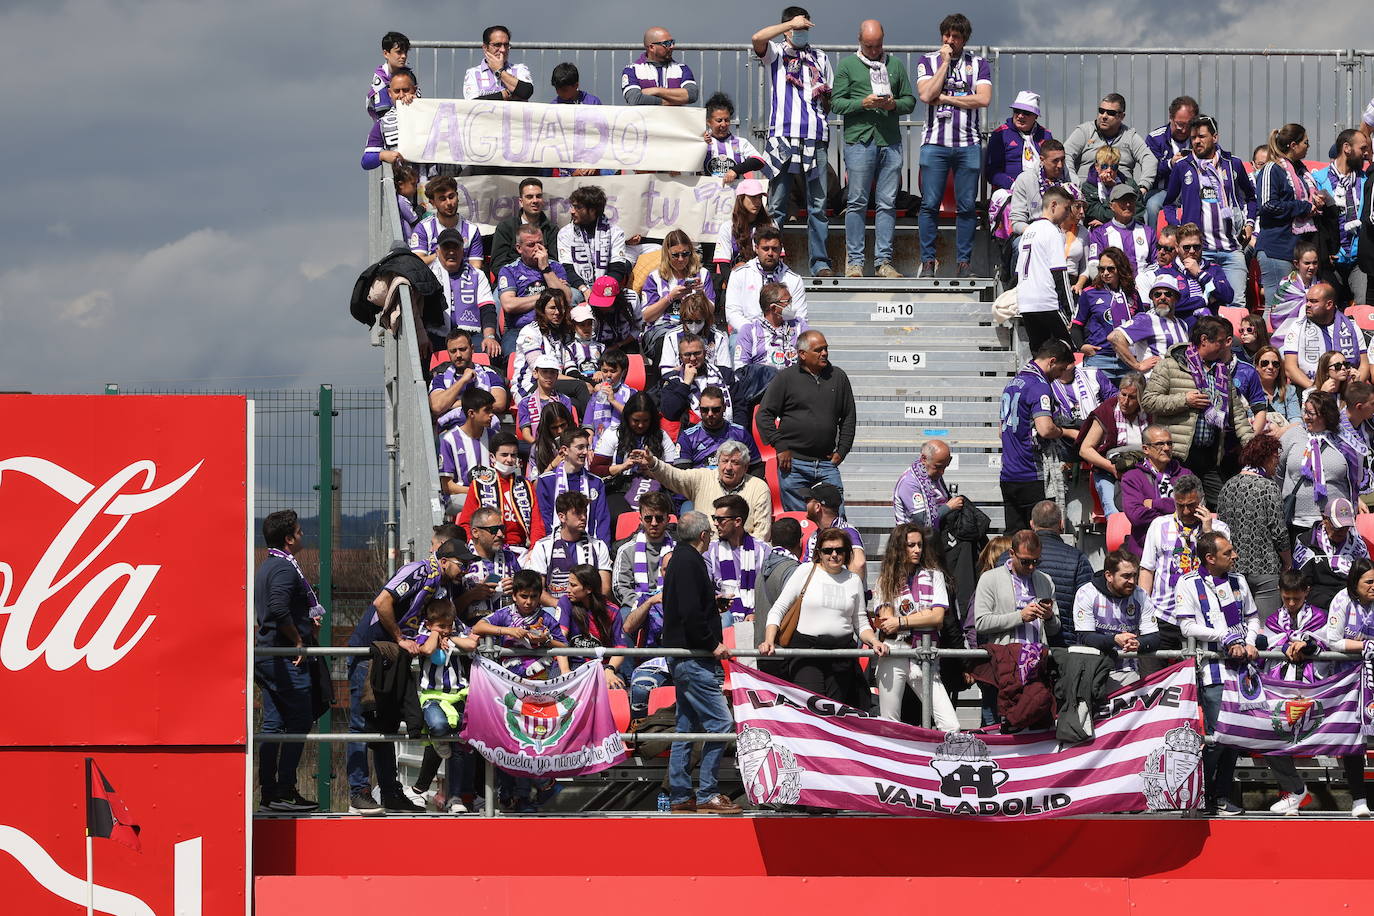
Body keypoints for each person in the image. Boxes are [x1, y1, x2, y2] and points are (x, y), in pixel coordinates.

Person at [346, 538, 481, 815]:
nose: (465, 570)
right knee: (361, 724)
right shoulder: (419, 570)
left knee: (387, 725)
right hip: (369, 653)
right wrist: (399, 638)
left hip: (394, 657)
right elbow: (382, 602)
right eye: (462, 564)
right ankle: (358, 792)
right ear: (444, 561)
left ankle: (390, 792)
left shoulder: (443, 585)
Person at [660, 511, 743, 814]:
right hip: (694, 657)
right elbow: (690, 613)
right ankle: (707, 792)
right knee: (721, 723)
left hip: (686, 655)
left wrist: (712, 604)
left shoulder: (681, 560)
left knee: (687, 726)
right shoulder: (689, 561)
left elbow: (690, 606)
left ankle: (681, 795)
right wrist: (713, 643)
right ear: (703, 535)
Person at [1174, 531, 1258, 816]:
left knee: (1234, 738)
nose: (1235, 556)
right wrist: (1225, 636)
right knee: (1216, 738)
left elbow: (1253, 618)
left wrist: (1248, 641)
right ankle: (1200, 794)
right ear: (1210, 558)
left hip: (1242, 671)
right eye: (1228, 553)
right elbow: (1186, 626)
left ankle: (1220, 796)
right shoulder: (1188, 583)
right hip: (1213, 672)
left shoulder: (1239, 580)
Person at [751, 8, 835, 277]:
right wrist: (788, 25)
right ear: (787, 29)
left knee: (818, 205)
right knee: (777, 204)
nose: (801, 33)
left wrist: (820, 108)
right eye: (797, 28)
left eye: (805, 28)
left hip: (815, 135)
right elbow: (757, 39)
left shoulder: (820, 57)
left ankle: (820, 262)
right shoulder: (776, 52)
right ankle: (769, 263)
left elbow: (829, 99)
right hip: (783, 136)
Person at [760, 527, 884, 706]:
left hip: (842, 655)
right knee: (812, 708)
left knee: (835, 710)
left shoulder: (853, 580)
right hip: (806, 653)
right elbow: (778, 609)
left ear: (846, 553)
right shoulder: (805, 571)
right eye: (828, 550)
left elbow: (861, 622)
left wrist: (874, 641)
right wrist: (769, 640)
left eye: (839, 550)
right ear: (819, 552)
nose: (834, 555)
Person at [1139, 314, 1255, 503]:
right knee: (1181, 505)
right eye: (1219, 341)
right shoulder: (1169, 365)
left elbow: (1238, 415)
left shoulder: (1222, 372)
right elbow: (1149, 401)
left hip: (1210, 455)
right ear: (1204, 340)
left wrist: (1253, 447)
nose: (1224, 346)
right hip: (1178, 455)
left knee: (1221, 504)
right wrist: (1185, 400)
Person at [832, 18, 916, 279]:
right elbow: (836, 103)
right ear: (859, 41)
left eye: (878, 45)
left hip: (889, 141)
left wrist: (894, 105)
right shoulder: (847, 66)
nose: (874, 50)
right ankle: (855, 262)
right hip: (859, 141)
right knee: (857, 201)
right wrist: (862, 103)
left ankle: (883, 262)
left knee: (887, 202)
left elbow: (910, 101)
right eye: (869, 46)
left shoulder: (895, 65)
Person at [914, 13, 991, 278]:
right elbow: (926, 94)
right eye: (946, 35)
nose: (949, 40)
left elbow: (983, 99)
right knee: (929, 204)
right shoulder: (928, 60)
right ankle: (928, 261)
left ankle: (964, 263)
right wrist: (945, 63)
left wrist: (946, 98)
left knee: (967, 205)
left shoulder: (979, 64)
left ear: (964, 39)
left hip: (968, 144)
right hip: (934, 143)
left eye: (955, 36)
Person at [253, 510, 320, 812]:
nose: (303, 535)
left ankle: (270, 794)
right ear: (289, 538)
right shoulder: (284, 568)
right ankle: (283, 790)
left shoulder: (267, 566)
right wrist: (297, 640)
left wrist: (303, 623)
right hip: (283, 657)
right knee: (300, 720)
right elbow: (278, 609)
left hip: (269, 654)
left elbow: (277, 609)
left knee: (274, 723)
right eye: (300, 531)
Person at [756, 330, 857, 511]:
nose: (824, 353)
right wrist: (780, 445)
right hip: (793, 465)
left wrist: (843, 450)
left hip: (827, 464)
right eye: (818, 350)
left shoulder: (838, 377)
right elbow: (764, 415)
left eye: (825, 348)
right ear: (802, 354)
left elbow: (849, 416)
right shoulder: (786, 378)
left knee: (835, 519)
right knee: (800, 522)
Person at [871, 524, 960, 728]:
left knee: (950, 724)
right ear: (898, 547)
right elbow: (887, 622)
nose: (917, 550)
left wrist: (902, 621)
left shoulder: (935, 575)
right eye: (911, 545)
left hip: (923, 653)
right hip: (894, 651)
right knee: (890, 724)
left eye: (920, 545)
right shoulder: (885, 579)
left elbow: (937, 617)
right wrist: (922, 617)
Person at [1137, 475, 1227, 677]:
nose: (1186, 511)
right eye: (1180, 505)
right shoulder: (1159, 525)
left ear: (1202, 501)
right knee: (1151, 680)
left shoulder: (1219, 529)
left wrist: (1207, 532)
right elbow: (1147, 570)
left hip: (1201, 618)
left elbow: (1220, 570)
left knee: (1197, 681)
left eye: (1191, 505)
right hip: (1162, 614)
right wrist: (1144, 610)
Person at [1254, 570, 1327, 815]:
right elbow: (1268, 645)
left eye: (1297, 598)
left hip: (1315, 690)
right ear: (1279, 592)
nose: (1292, 603)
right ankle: (1294, 790)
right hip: (1280, 690)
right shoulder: (1273, 620)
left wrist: (1309, 645)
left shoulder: (1321, 617)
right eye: (1287, 598)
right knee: (1265, 734)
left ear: (1307, 591)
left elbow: (1328, 642)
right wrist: (1285, 645)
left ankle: (1293, 794)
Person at [1163, 115, 1257, 299]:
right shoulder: (1183, 166)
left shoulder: (1233, 164)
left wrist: (1249, 224)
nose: (1197, 141)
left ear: (1215, 137)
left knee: (1235, 303)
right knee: (1202, 302)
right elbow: (1169, 203)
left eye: (1202, 136)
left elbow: (1251, 198)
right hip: (1199, 252)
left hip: (1232, 249)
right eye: (1193, 137)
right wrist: (1179, 229)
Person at [408, 597, 479, 812]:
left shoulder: (455, 630)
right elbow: (427, 649)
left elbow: (471, 644)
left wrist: (451, 636)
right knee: (438, 727)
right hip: (433, 696)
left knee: (458, 746)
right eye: (441, 626)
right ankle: (437, 750)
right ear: (429, 623)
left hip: (458, 695)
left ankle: (455, 798)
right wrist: (435, 634)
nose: (446, 629)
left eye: (449, 625)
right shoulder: (425, 631)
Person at [1317, 558, 1374, 817]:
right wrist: (1366, 646)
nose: (1373, 586)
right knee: (1353, 737)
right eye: (1369, 582)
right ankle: (1359, 799)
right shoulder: (1342, 599)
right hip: (1348, 679)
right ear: (1355, 583)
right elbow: (1333, 640)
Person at [998, 339, 1073, 532]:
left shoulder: (1012, 383)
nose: (1059, 376)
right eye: (1060, 369)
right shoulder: (1039, 385)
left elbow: (1001, 431)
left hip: (1008, 473)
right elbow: (1045, 429)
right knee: (1040, 537)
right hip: (1031, 474)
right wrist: (1068, 432)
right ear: (1052, 361)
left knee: (1014, 537)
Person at [634, 439, 773, 540]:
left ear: (746, 467)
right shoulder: (703, 477)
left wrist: (744, 555)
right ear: (718, 462)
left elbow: (762, 532)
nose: (728, 468)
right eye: (724, 461)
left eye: (735, 463)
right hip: (705, 552)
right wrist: (654, 463)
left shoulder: (759, 488)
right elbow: (675, 477)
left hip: (745, 554)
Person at [1256, 123, 1329, 305]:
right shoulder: (1272, 169)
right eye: (1306, 142)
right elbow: (1267, 205)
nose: (1308, 146)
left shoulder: (1301, 172)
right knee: (1277, 306)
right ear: (1293, 145)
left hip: (1296, 249)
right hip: (1276, 249)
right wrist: (1303, 207)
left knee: (1295, 306)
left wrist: (1315, 203)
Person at [1215, 434, 1289, 615]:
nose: (1277, 463)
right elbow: (1279, 532)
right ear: (1265, 457)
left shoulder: (1227, 486)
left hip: (1233, 568)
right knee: (1267, 627)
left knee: (1237, 626)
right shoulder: (1269, 487)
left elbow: (1221, 527)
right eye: (1276, 457)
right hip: (1265, 569)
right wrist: (1288, 562)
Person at [1279, 391, 1360, 540]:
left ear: (1326, 415)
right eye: (1305, 412)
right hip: (1296, 521)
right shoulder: (1293, 435)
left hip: (1335, 524)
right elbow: (1277, 472)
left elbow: (1355, 479)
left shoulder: (1344, 441)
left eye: (1311, 413)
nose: (1305, 417)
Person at [1072, 550, 1157, 687]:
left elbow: (1154, 637)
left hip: (1127, 671)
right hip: (1091, 669)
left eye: (1135, 575)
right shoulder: (1086, 593)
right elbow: (1085, 637)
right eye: (1126, 576)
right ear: (1109, 576)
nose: (1132, 581)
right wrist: (1114, 639)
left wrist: (1139, 643)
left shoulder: (1141, 595)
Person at [590, 391, 679, 518]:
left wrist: (652, 468)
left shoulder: (662, 436)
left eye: (645, 420)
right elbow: (595, 469)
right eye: (636, 420)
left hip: (654, 486)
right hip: (620, 487)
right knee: (620, 516)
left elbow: (674, 472)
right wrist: (623, 466)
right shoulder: (613, 434)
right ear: (627, 417)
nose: (641, 425)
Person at [1019, 500, 1093, 642]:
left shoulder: (1009, 558)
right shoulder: (1077, 559)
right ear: (1061, 524)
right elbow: (1088, 604)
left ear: (1032, 524)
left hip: (1019, 643)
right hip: (1064, 643)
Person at [498, 223, 575, 357]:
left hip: (554, 327)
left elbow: (566, 299)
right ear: (519, 248)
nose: (537, 249)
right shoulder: (509, 270)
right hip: (520, 328)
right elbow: (509, 305)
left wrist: (546, 268)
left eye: (540, 243)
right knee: (511, 354)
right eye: (531, 245)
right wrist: (546, 296)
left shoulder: (555, 267)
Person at [1077, 371, 1150, 513]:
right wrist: (1112, 468)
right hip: (1108, 472)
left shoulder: (1149, 413)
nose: (1125, 401)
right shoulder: (1107, 410)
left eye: (1132, 397)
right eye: (1123, 394)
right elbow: (1085, 450)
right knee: (1115, 512)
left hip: (1142, 472)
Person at [1015, 185, 1077, 351]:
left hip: (1026, 303)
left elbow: (1018, 272)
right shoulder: (1052, 231)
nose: (1067, 213)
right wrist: (1071, 312)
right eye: (1066, 208)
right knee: (1069, 350)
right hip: (1047, 302)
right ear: (1053, 205)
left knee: (1040, 353)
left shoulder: (1028, 231)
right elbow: (1059, 273)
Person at [641, 229, 714, 364]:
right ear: (667, 254)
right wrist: (670, 297)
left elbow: (711, 311)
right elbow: (647, 316)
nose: (681, 259)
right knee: (667, 342)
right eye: (675, 255)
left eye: (685, 254)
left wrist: (701, 294)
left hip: (696, 326)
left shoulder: (702, 274)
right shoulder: (655, 277)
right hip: (663, 328)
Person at [1120, 424, 1195, 555]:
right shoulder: (1132, 477)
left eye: (1169, 443)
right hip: (1145, 548)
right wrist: (1175, 513)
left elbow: (1192, 509)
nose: (1166, 448)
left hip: (1182, 548)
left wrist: (1156, 504)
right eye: (1160, 444)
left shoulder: (1185, 475)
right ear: (1146, 449)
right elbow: (1137, 516)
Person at [523, 491, 613, 600]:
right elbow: (538, 590)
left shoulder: (598, 546)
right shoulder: (542, 546)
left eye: (585, 512)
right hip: (554, 607)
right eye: (577, 513)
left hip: (590, 606)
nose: (583, 517)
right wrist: (562, 606)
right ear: (562, 517)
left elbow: (605, 589)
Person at [1072, 246, 1141, 381]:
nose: (1105, 273)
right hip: (1099, 358)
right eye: (1101, 269)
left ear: (1120, 269)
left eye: (1110, 269)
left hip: (1128, 359)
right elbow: (1076, 326)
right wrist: (1082, 346)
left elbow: (1141, 325)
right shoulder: (1089, 293)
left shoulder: (1132, 293)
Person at [1062, 93, 1157, 192]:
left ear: (1122, 116)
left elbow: (1149, 159)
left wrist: (1143, 187)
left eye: (1111, 113)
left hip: (1121, 195)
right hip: (1086, 193)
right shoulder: (1085, 131)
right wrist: (1074, 184)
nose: (1104, 116)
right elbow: (1066, 154)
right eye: (1101, 111)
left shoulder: (1130, 136)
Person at [429, 228, 500, 358]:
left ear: (462, 251)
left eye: (455, 247)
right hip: (437, 334)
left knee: (491, 350)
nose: (451, 252)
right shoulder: (428, 274)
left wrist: (489, 336)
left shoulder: (477, 275)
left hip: (471, 335)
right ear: (437, 251)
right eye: (446, 247)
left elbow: (487, 308)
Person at [458, 433, 536, 552]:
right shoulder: (478, 485)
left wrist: (534, 550)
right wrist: (476, 549)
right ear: (492, 457)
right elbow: (465, 523)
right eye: (504, 455)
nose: (509, 460)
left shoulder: (526, 486)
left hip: (521, 550)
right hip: (488, 550)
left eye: (513, 455)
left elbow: (537, 524)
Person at [1282, 283, 1369, 389]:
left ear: (1329, 304)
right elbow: (1290, 368)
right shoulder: (1297, 327)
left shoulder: (1352, 327)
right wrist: (1317, 391)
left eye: (1314, 301)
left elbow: (1364, 365)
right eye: (1307, 300)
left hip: (1347, 390)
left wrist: (1351, 389)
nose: (1308, 304)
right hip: (1308, 389)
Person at [534, 426, 611, 545]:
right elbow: (544, 520)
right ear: (565, 450)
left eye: (587, 447)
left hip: (590, 546)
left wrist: (602, 548)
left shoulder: (596, 482)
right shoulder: (546, 481)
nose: (585, 452)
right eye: (580, 447)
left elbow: (602, 520)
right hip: (554, 546)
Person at [723, 226, 808, 332]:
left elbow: (800, 317)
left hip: (783, 333)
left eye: (774, 248)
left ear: (781, 249)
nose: (770, 253)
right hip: (747, 331)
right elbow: (732, 313)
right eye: (765, 248)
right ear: (756, 248)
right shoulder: (740, 274)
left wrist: (780, 330)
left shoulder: (793, 279)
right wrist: (754, 332)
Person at [706, 494, 771, 624]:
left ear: (737, 522)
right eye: (714, 518)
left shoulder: (763, 551)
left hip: (756, 617)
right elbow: (703, 589)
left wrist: (756, 612)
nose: (715, 523)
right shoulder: (710, 550)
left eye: (720, 519)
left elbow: (770, 590)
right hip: (722, 616)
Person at [1294, 497, 1369, 608]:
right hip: (1318, 605)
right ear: (1325, 519)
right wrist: (1332, 604)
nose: (1342, 532)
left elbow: (1367, 576)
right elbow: (1302, 584)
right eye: (1337, 527)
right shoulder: (1307, 542)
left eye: (1346, 527)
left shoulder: (1357, 544)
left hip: (1351, 601)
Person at [429, 329, 508, 433]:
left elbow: (499, 403)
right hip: (451, 431)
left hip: (485, 430)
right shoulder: (440, 378)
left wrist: (452, 404)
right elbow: (437, 406)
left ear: (472, 349)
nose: (458, 355)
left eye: (462, 349)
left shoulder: (489, 374)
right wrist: (463, 380)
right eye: (453, 351)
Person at [558, 186, 628, 303]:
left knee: (629, 298)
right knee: (571, 297)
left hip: (606, 285)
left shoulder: (615, 232)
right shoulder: (565, 233)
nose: (572, 211)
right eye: (572, 206)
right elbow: (567, 268)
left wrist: (601, 290)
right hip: (578, 287)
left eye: (578, 207)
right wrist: (584, 289)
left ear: (592, 210)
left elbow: (618, 268)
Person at [557, 564, 626, 680]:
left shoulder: (612, 611)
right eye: (568, 584)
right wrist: (565, 672)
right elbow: (560, 638)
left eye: (573, 585)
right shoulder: (565, 602)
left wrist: (609, 670)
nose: (567, 589)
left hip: (601, 666)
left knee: (615, 685)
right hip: (571, 664)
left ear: (589, 589)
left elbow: (620, 647)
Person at [1143, 95, 1200, 229]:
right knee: (1152, 206)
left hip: (1194, 190)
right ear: (1171, 117)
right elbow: (1150, 171)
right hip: (1163, 191)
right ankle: (1153, 240)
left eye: (1188, 125)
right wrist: (1170, 163)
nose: (1183, 130)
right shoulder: (1155, 139)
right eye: (1179, 124)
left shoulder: (1200, 139)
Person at [675, 386, 762, 473]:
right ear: (699, 409)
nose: (710, 414)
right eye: (705, 409)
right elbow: (682, 474)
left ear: (724, 408)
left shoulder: (740, 433)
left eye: (715, 410)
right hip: (700, 481)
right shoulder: (687, 437)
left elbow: (756, 467)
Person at [659, 327, 735, 424]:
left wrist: (737, 430)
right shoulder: (672, 379)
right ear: (680, 357)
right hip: (691, 431)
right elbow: (670, 413)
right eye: (687, 355)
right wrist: (686, 384)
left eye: (697, 353)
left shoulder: (724, 373)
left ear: (705, 353)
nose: (693, 358)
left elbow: (739, 407)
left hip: (727, 429)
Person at [714, 179, 777, 289]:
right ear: (741, 199)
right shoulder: (727, 227)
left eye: (759, 198)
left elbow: (778, 258)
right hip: (738, 284)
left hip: (767, 285)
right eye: (753, 197)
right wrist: (735, 288)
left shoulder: (771, 224)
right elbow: (723, 264)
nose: (757, 202)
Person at [734, 282, 809, 376]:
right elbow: (741, 369)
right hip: (763, 381)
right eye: (787, 301)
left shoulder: (799, 325)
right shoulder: (749, 330)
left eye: (791, 300)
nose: (790, 305)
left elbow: (810, 356)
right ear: (773, 308)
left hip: (794, 379)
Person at [409, 176, 484, 269]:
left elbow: (476, 266)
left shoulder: (472, 230)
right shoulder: (423, 228)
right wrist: (442, 255)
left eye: (451, 197)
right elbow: (417, 263)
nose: (449, 203)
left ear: (457, 196)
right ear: (433, 203)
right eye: (442, 199)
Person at [986, 90, 1052, 192]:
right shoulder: (1000, 134)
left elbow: (1052, 165)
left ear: (1036, 116)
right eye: (1017, 111)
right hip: (1008, 190)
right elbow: (991, 171)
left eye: (1026, 113)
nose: (1020, 116)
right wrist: (1014, 186)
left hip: (1040, 190)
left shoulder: (1045, 135)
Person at [463, 504, 523, 617]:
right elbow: (448, 608)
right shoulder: (461, 560)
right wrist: (471, 595)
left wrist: (517, 588)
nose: (501, 534)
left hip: (508, 623)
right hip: (472, 625)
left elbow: (528, 594)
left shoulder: (509, 557)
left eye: (502, 528)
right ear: (475, 532)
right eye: (494, 530)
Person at [1085, 186, 1153, 283]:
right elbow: (1093, 265)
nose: (1128, 204)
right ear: (1111, 206)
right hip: (1112, 288)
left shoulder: (1148, 232)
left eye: (1131, 200)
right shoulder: (1100, 233)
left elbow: (1156, 263)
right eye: (1123, 200)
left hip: (1144, 287)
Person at [754, 517, 804, 650]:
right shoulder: (794, 570)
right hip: (784, 650)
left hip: (762, 648)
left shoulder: (762, 568)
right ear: (800, 541)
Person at [491, 177, 560, 274]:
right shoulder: (505, 228)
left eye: (538, 196)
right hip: (513, 279)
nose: (535, 201)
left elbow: (555, 263)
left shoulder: (551, 229)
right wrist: (524, 277)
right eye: (529, 197)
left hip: (543, 278)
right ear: (521, 202)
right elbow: (498, 265)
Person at [437, 388, 495, 502]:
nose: (491, 415)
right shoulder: (450, 440)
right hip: (463, 499)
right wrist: (478, 492)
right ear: (471, 413)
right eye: (487, 410)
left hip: (492, 499)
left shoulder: (494, 437)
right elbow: (447, 486)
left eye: (491, 410)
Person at [893, 438, 963, 530]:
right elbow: (923, 520)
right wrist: (949, 507)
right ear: (924, 459)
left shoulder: (932, 474)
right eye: (938, 467)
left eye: (945, 467)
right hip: (912, 535)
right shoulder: (909, 482)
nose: (942, 472)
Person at [800, 482, 865, 577]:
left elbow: (858, 564)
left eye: (808, 500)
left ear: (817, 507)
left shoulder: (847, 532)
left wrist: (848, 586)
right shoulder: (814, 535)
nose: (805, 504)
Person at [622, 27, 698, 106]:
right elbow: (635, 99)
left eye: (672, 42)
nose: (672, 46)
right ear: (652, 47)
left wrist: (656, 91)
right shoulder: (632, 70)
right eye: (667, 44)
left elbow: (692, 95)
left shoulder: (682, 69)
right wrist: (674, 100)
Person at [360, 68, 418, 172]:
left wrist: (418, 105)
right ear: (390, 93)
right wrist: (383, 155)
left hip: (431, 180)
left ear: (414, 90)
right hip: (401, 180)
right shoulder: (383, 123)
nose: (401, 95)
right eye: (397, 91)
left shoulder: (432, 114)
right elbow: (366, 161)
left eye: (406, 90)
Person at [702, 92, 766, 183]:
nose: (723, 124)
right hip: (706, 190)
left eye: (727, 120)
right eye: (719, 120)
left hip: (735, 190)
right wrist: (701, 145)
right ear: (708, 122)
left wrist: (735, 170)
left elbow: (759, 161)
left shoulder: (741, 142)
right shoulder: (702, 142)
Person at [1009, 139, 1068, 238]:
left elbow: (1077, 216)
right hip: (1032, 233)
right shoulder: (1025, 179)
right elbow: (1017, 222)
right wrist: (1036, 233)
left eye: (1062, 160)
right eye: (1055, 161)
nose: (1060, 165)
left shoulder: (1070, 180)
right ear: (1042, 159)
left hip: (1065, 232)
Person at [1270, 241, 1322, 347]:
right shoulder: (1286, 287)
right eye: (1307, 263)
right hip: (1287, 340)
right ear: (1296, 264)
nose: (1312, 267)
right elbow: (1276, 313)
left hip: (1316, 338)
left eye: (1315, 263)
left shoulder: (1322, 286)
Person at [463, 25, 533, 102]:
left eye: (506, 45)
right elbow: (471, 104)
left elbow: (526, 92)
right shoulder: (473, 73)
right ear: (485, 47)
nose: (503, 50)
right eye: (497, 45)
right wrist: (503, 95)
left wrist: (499, 71)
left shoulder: (519, 69)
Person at [1255, 345, 1302, 431]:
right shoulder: (1249, 392)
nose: (1270, 367)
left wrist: (1280, 432)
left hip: (1285, 435)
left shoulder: (1289, 391)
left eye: (1275, 364)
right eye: (1265, 363)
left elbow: (1296, 420)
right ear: (1257, 366)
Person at [525, 401, 574, 480]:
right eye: (554, 428)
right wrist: (552, 466)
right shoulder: (537, 449)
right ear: (547, 428)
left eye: (563, 425)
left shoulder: (580, 443)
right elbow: (535, 484)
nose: (560, 431)